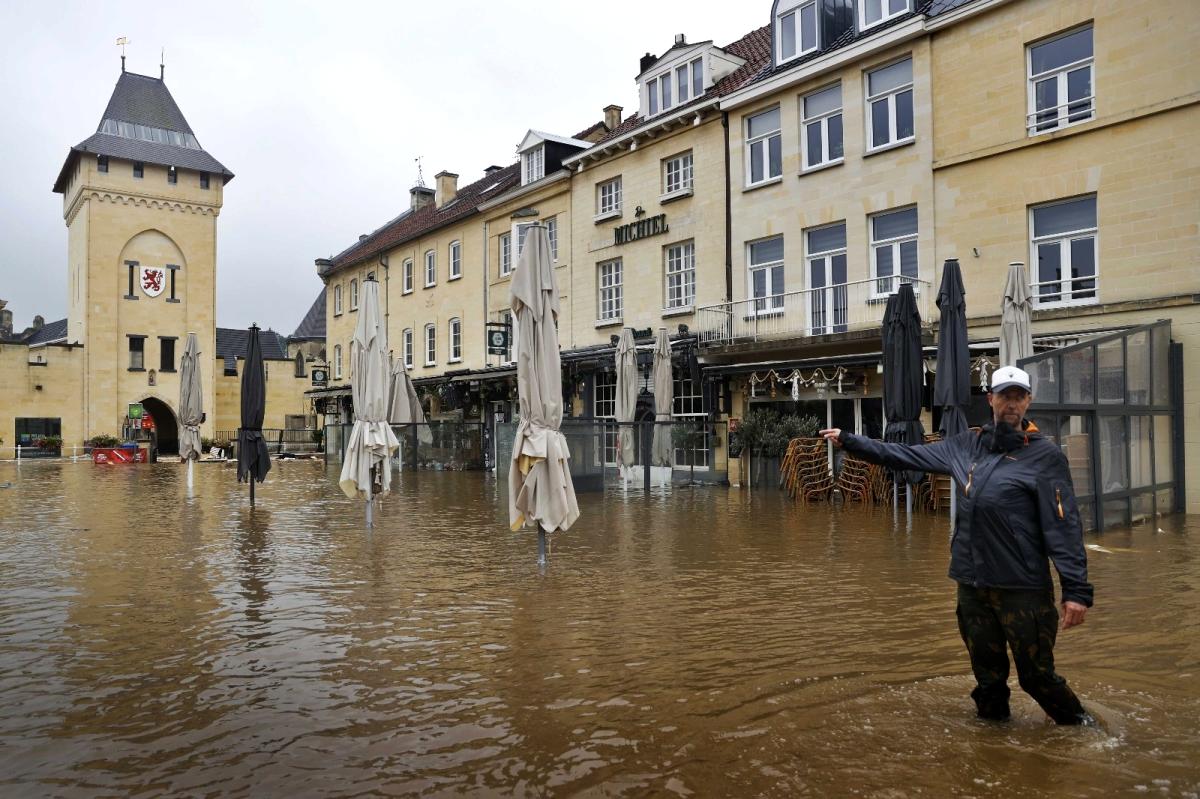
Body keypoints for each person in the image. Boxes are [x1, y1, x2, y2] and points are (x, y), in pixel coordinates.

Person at [820, 365, 1094, 725]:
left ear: (1028, 401)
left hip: (1022, 588)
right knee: (987, 677)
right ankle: (993, 742)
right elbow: (905, 455)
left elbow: (1064, 525)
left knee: (1037, 677)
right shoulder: (966, 445)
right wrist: (851, 440)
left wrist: (1076, 590)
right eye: (1004, 396)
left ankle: (1083, 730)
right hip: (973, 585)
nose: (1011, 403)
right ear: (991, 399)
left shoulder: (1045, 458)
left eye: (1018, 396)